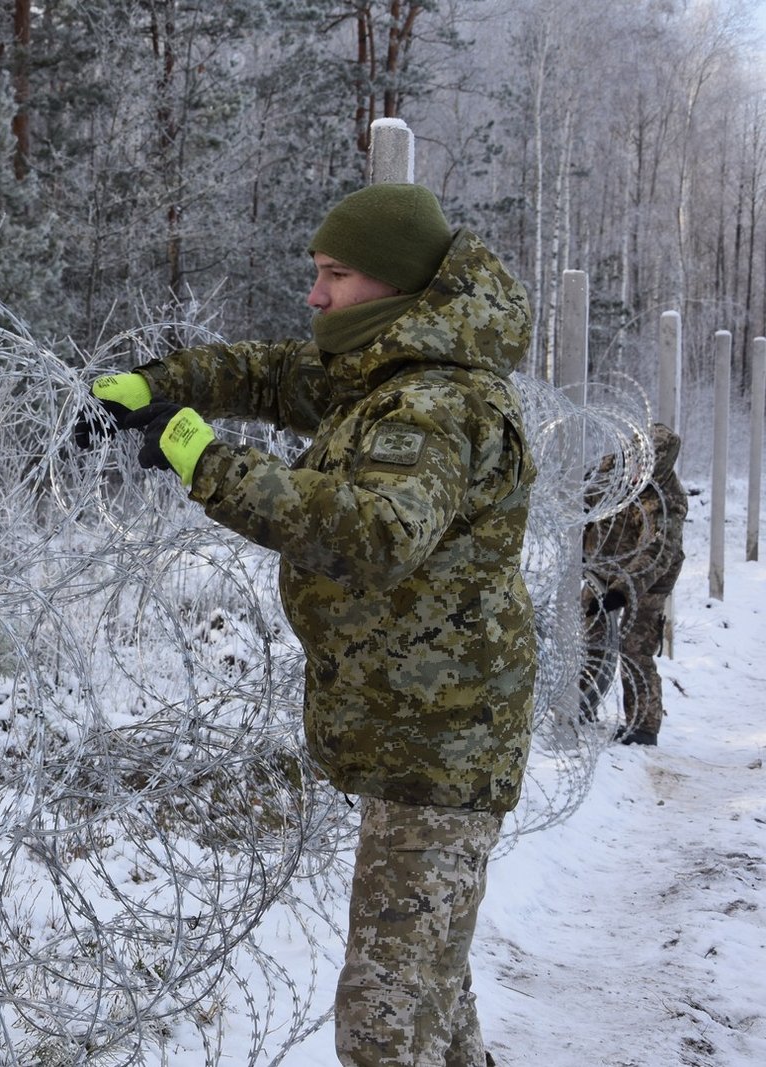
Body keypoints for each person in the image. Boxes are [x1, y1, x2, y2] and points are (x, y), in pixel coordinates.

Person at [87, 182, 535, 1067]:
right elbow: (264, 372)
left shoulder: (437, 407)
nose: (315, 295)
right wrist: (159, 385)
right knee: (431, 1008)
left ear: (399, 287)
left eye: (336, 275)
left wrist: (204, 459)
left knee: (382, 1033)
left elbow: (373, 535)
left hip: (437, 756)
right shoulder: (386, 370)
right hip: (416, 743)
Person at [581, 422, 686, 745]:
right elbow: (586, 498)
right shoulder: (610, 468)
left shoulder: (667, 497)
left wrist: (621, 592)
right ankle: (581, 703)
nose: (640, 468)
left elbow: (657, 552)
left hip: (649, 579)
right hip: (604, 564)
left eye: (649, 462)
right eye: (638, 459)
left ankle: (643, 726)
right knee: (592, 637)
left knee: (634, 647)